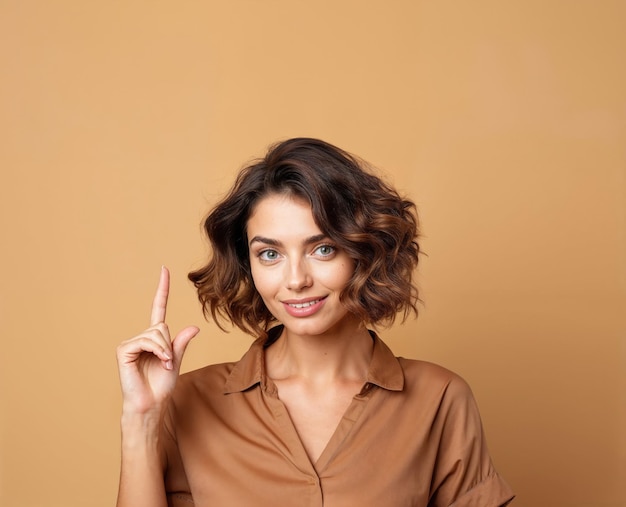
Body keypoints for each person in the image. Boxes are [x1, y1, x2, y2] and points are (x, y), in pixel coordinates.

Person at [116, 138, 515, 507]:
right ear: (248, 264)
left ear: (364, 251)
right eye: (270, 254)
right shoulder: (188, 400)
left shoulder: (439, 399)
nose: (295, 280)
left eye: (323, 249)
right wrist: (142, 421)